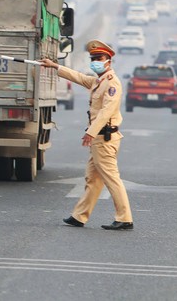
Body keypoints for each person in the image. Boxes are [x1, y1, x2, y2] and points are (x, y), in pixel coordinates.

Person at [40, 39, 134, 230]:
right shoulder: (98, 81)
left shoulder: (111, 83)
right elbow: (78, 77)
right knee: (93, 179)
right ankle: (79, 216)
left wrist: (90, 132)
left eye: (99, 58)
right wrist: (54, 66)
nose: (95, 61)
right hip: (99, 139)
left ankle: (124, 218)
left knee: (111, 179)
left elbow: (106, 111)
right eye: (92, 58)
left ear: (108, 60)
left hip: (104, 138)